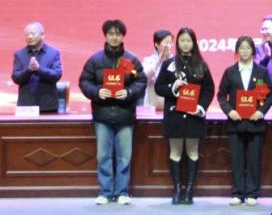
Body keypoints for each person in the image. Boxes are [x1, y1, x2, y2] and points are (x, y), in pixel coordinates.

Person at [79, 19, 147, 205]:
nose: (114, 37)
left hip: (125, 115)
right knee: (104, 156)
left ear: (123, 36)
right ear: (105, 36)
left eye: (118, 34)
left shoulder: (131, 60)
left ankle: (122, 192)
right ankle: (106, 192)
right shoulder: (95, 60)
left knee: (124, 157)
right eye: (111, 34)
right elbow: (84, 82)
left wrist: (129, 92)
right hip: (102, 115)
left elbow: (141, 81)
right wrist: (97, 92)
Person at [155, 27, 215, 205]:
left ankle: (189, 191)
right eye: (182, 40)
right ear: (177, 43)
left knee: (192, 152)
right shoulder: (169, 63)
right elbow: (158, 87)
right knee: (175, 152)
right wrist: (173, 87)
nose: (185, 44)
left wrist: (201, 107)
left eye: (189, 41)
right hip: (174, 116)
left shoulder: (201, 64)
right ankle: (177, 190)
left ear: (194, 43)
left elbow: (209, 89)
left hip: (193, 116)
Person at [217, 35, 272, 206]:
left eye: (248, 48)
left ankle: (252, 193)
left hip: (255, 123)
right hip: (236, 123)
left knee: (254, 159)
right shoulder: (230, 72)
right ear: (237, 51)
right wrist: (230, 111)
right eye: (241, 48)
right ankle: (238, 192)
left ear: (253, 51)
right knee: (237, 160)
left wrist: (261, 111)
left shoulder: (262, 72)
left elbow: (270, 95)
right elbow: (221, 96)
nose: (245, 51)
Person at [11, 21, 63, 113]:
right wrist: (28, 70)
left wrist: (39, 69)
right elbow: (16, 78)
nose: (29, 37)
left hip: (48, 105)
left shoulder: (53, 53)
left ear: (42, 35)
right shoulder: (19, 54)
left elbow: (56, 75)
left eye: (32, 34)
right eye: (27, 35)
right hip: (26, 105)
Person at [142, 30, 173, 111]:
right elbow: (145, 77)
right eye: (166, 42)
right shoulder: (148, 61)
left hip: (170, 107)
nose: (169, 46)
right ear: (156, 44)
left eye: (170, 42)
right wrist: (160, 59)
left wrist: (170, 59)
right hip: (151, 107)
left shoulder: (176, 61)